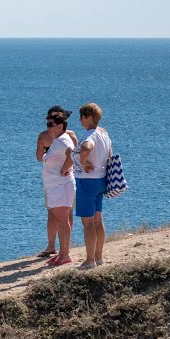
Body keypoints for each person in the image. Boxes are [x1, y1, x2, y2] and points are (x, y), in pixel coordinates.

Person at [35, 106, 78, 257]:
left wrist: (62, 169)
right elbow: (77, 152)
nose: (48, 127)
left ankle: (55, 247)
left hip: (60, 182)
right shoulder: (71, 135)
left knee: (56, 215)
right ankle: (65, 247)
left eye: (50, 123)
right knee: (66, 215)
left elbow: (39, 157)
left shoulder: (44, 136)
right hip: (60, 180)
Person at [74, 102, 113, 269]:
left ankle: (90, 260)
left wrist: (84, 162)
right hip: (101, 179)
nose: (80, 120)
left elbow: (86, 147)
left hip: (87, 181)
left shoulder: (90, 135)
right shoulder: (103, 134)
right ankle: (98, 256)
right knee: (98, 220)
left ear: (89, 117)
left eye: (82, 117)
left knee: (88, 222)